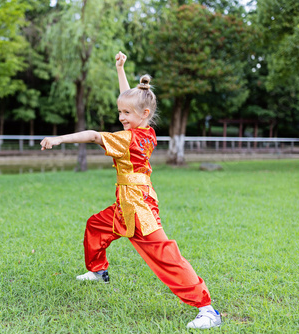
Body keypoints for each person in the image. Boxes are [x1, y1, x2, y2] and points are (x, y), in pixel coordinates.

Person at [40, 51, 221, 329]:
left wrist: (58, 139)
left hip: (138, 207)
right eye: (120, 112)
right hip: (127, 202)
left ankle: (207, 309)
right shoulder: (147, 130)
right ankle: (99, 272)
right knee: (96, 226)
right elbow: (130, 98)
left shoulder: (127, 140)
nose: (122, 117)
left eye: (126, 113)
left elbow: (92, 135)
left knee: (164, 254)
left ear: (143, 114)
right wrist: (120, 69)